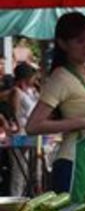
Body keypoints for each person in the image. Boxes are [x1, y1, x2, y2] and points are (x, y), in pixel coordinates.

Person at [26, 13, 85, 201]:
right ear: (62, 44)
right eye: (79, 41)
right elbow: (33, 126)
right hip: (73, 165)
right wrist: (80, 121)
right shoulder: (60, 77)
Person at [9, 63, 39, 196]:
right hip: (21, 133)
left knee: (31, 170)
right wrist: (18, 127)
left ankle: (27, 197)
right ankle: (16, 196)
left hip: (32, 132)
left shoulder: (31, 92)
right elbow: (14, 112)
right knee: (19, 170)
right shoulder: (16, 92)